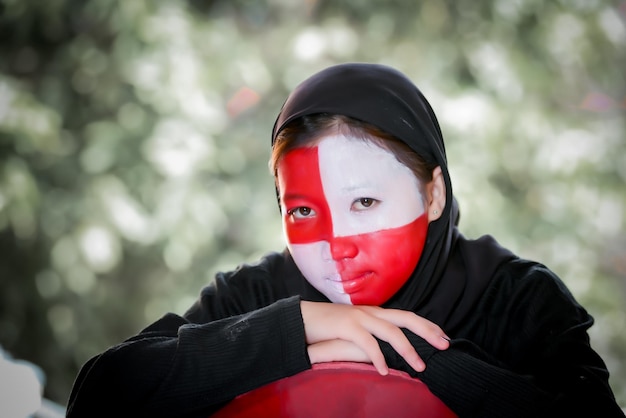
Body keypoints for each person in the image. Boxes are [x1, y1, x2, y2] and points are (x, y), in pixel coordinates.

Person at [66, 63, 625, 417]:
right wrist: (303, 326)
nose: (336, 245)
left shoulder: (518, 297)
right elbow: (99, 398)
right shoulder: (257, 293)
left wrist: (402, 355)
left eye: (364, 203)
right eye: (304, 210)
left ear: (433, 194)